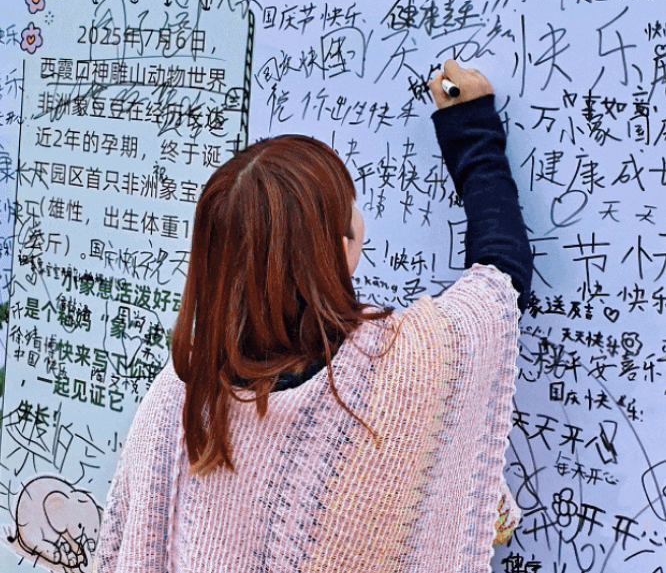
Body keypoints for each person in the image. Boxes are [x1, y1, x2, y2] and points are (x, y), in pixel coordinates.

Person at [93, 59, 532, 573]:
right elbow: (501, 274)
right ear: (340, 248)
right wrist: (471, 127)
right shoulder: (399, 368)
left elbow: (130, 536)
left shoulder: (184, 387)